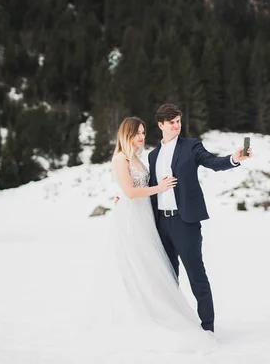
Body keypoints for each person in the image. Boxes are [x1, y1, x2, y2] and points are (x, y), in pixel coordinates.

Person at [106, 116, 215, 351]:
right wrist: (159, 188)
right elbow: (131, 192)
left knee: (156, 269)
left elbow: (136, 190)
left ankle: (169, 316)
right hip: (132, 221)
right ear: (126, 134)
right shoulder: (120, 158)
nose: (141, 137)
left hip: (148, 219)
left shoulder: (139, 158)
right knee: (140, 269)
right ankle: (146, 317)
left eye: (143, 133)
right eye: (137, 133)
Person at [148, 104, 252, 333]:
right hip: (161, 224)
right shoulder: (153, 155)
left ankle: (207, 329)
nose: (176, 126)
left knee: (197, 276)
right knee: (167, 278)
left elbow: (213, 162)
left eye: (178, 121)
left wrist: (234, 158)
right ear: (160, 125)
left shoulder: (191, 146)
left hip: (185, 222)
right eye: (171, 122)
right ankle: (173, 326)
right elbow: (149, 189)